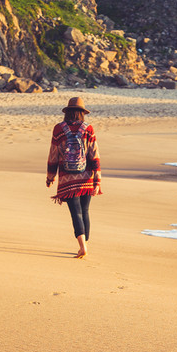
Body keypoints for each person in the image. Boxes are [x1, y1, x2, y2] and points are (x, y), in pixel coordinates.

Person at [46, 96, 102, 258]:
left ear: (68, 112)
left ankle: (82, 246)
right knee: (85, 211)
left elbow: (53, 154)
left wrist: (50, 177)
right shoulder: (88, 128)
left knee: (75, 213)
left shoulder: (58, 129)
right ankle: (85, 244)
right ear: (82, 113)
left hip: (67, 178)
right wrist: (97, 180)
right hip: (86, 177)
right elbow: (94, 155)